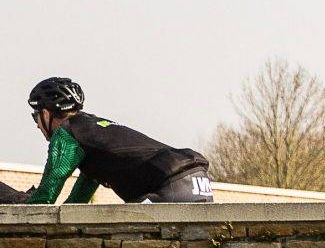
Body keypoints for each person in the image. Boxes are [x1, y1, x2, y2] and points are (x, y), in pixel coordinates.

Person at [15, 78, 214, 204]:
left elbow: (46, 196)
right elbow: (78, 201)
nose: (36, 124)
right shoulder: (92, 132)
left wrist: (20, 206)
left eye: (35, 116)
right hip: (198, 181)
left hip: (169, 185)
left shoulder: (66, 134)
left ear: (47, 114)